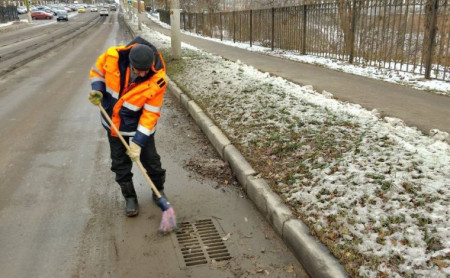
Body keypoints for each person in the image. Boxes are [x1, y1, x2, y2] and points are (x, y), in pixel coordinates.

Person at [88, 36, 168, 217]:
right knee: (120, 163)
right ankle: (130, 197)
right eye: (138, 70)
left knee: (152, 162)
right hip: (113, 122)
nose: (141, 74)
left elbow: (151, 114)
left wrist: (138, 142)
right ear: (130, 63)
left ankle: (158, 191)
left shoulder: (158, 80)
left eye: (145, 71)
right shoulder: (111, 57)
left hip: (139, 123)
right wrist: (98, 89)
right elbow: (97, 71)